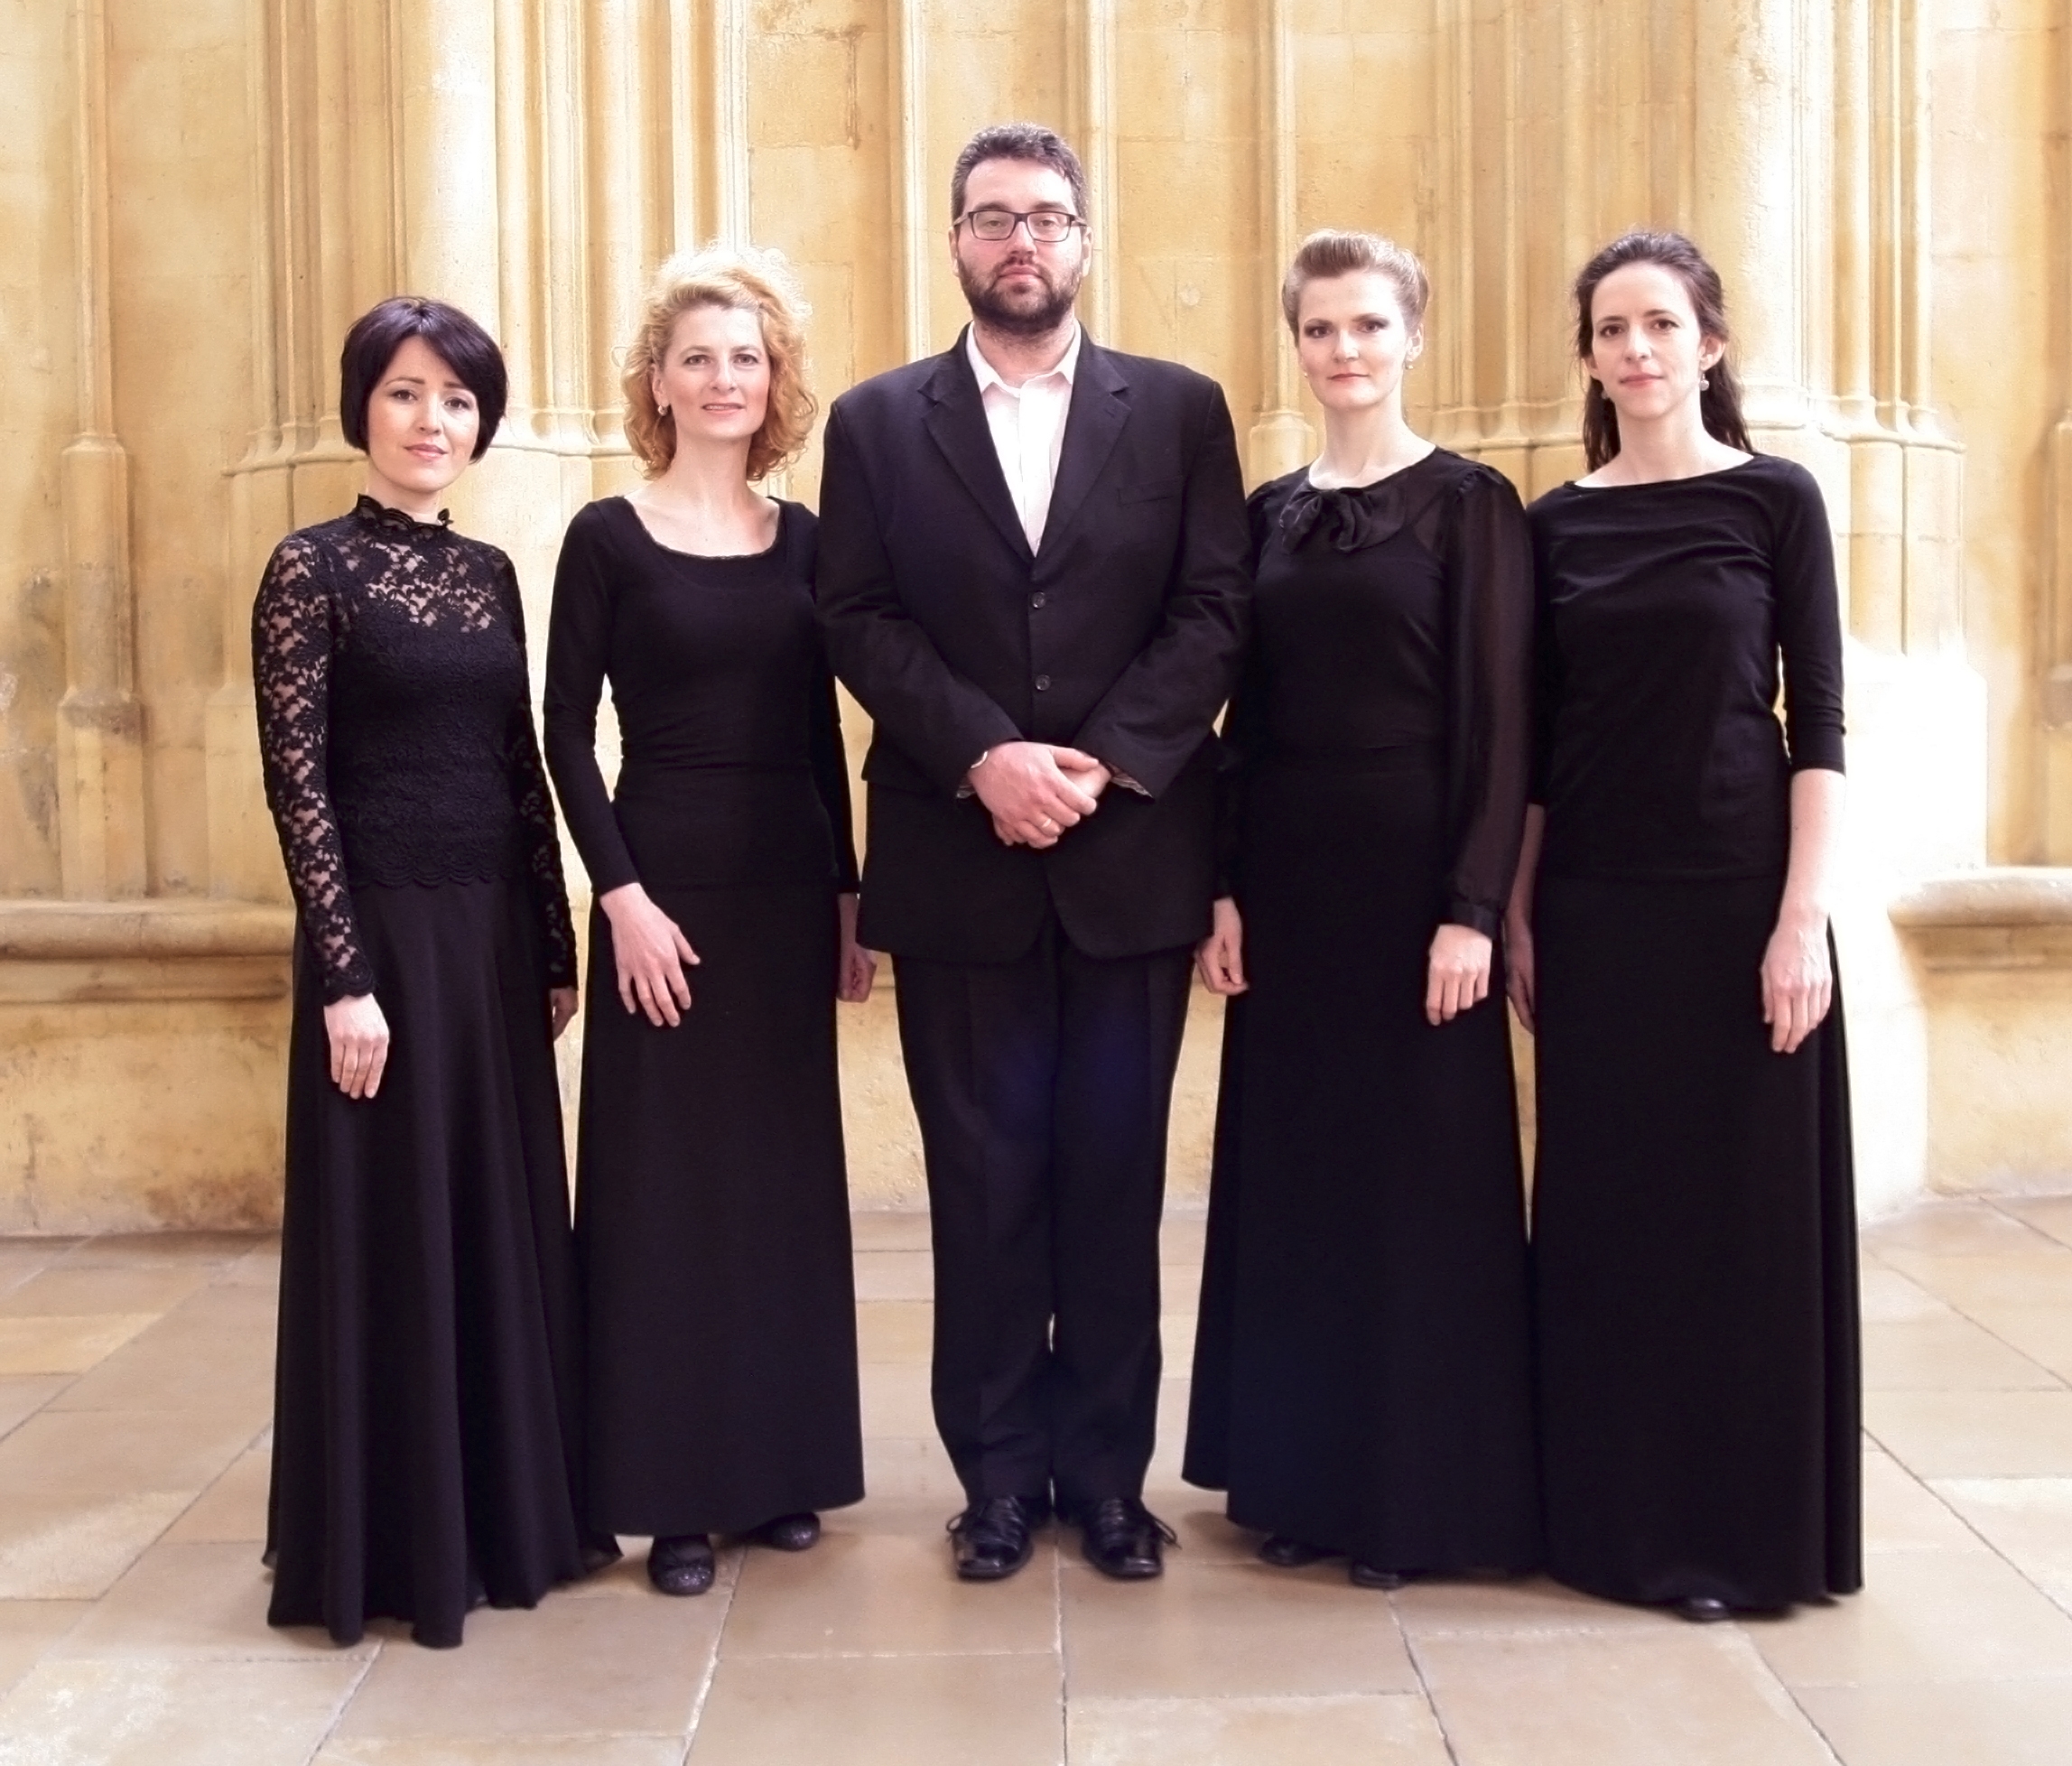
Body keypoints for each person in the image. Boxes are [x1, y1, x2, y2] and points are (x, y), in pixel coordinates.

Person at [816, 122, 1250, 1583]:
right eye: (994, 217)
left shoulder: (1179, 411)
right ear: (955, 241)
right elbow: (857, 614)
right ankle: (997, 1482)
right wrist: (985, 757)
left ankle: (1110, 1484)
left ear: (1084, 243)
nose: (1022, 242)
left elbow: (1214, 608)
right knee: (984, 1190)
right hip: (958, 864)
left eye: (1047, 218)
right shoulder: (877, 423)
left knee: (1115, 1189)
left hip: (1131, 864)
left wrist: (1104, 763)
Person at [1509, 230, 1860, 1622]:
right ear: (1591, 359)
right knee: (1612, 1223)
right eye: (1613, 330)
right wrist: (1517, 910)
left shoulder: (1777, 501)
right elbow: (1539, 748)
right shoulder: (1553, 525)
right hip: (1597, 912)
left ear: (1709, 345)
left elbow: (1818, 725)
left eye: (1661, 324)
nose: (1637, 349)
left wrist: (1802, 921)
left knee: (1741, 1228)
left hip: (1737, 906)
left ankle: (1740, 1537)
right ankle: (1611, 1528)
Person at [1183, 232, 1539, 1587]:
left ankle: (1413, 1501)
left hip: (1417, 895)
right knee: (1302, 1185)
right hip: (1290, 892)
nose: (1346, 350)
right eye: (1322, 328)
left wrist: (1472, 906)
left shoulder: (1471, 505)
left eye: (1371, 325)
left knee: (1418, 1188)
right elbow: (1240, 719)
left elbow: (1503, 724)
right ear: (1297, 344)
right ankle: (1303, 1483)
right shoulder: (1266, 513)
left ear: (1413, 338)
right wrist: (1221, 883)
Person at [256, 296, 610, 1649]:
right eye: (406, 393)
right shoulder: (308, 570)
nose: (431, 421)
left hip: (490, 945)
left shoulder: (492, 575)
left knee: (496, 1218)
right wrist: (345, 978)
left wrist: (553, 943)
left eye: (456, 400)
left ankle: (509, 1516)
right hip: (384, 950)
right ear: (364, 406)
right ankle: (394, 1543)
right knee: (393, 1223)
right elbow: (298, 786)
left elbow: (519, 767)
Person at [543, 247, 872, 1599]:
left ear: (773, 380)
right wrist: (618, 898)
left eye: (747, 357)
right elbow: (565, 735)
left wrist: (849, 899)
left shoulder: (808, 543)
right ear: (659, 382)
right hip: (659, 888)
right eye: (699, 358)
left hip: (786, 893)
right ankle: (670, 1492)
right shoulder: (606, 537)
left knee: (777, 1183)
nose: (724, 378)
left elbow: (820, 733)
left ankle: (779, 1468)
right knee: (661, 1191)